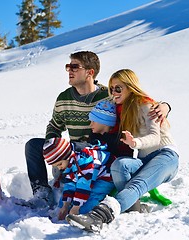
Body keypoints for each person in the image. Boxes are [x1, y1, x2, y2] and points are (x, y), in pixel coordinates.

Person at [25, 51, 170, 208]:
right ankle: (42, 194)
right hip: (73, 149)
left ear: (90, 72)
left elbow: (137, 99)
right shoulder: (63, 98)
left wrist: (165, 106)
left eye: (74, 66)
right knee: (33, 145)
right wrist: (53, 145)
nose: (69, 71)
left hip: (100, 151)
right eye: (68, 66)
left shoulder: (109, 95)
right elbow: (54, 125)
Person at [66, 69, 179, 233]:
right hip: (144, 159)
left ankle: (99, 217)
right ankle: (134, 209)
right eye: (112, 88)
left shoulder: (147, 106)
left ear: (130, 87)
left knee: (138, 184)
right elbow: (102, 116)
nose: (114, 92)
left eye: (118, 88)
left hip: (166, 155)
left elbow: (155, 137)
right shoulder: (121, 109)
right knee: (119, 165)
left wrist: (135, 142)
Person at [44, 100, 117, 220]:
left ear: (66, 156)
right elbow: (70, 184)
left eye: (59, 164)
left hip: (106, 176)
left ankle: (88, 216)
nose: (59, 168)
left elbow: (84, 184)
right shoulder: (70, 161)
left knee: (90, 197)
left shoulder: (83, 159)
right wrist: (65, 205)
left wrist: (76, 208)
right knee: (70, 196)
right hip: (91, 176)